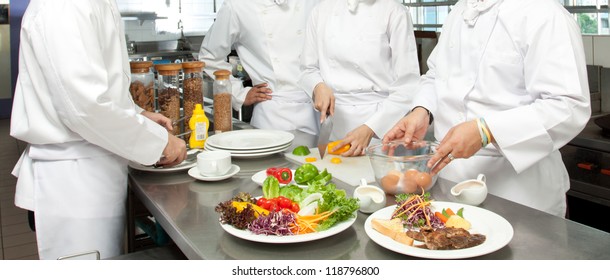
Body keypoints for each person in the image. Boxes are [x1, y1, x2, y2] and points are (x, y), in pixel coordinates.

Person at [10, 0, 187, 259]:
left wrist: (139, 114)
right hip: (74, 182)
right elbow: (84, 108)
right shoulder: (65, 6)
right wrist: (160, 141)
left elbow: (94, 91)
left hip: (94, 169)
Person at [383, 0, 591, 217]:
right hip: (449, 182)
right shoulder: (460, 11)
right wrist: (422, 110)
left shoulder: (544, 13)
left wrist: (487, 131)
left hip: (519, 193)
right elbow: (436, 75)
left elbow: (569, 106)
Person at [298, 0, 421, 156]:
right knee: (337, 176)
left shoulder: (395, 11)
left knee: (381, 178)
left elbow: (407, 84)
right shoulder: (320, 11)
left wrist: (371, 128)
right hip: (337, 122)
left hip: (384, 127)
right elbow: (307, 69)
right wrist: (318, 86)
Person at [198, 0, 321, 135]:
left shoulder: (314, 2)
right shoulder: (238, 5)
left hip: (317, 110)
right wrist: (238, 94)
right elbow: (209, 57)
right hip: (271, 116)